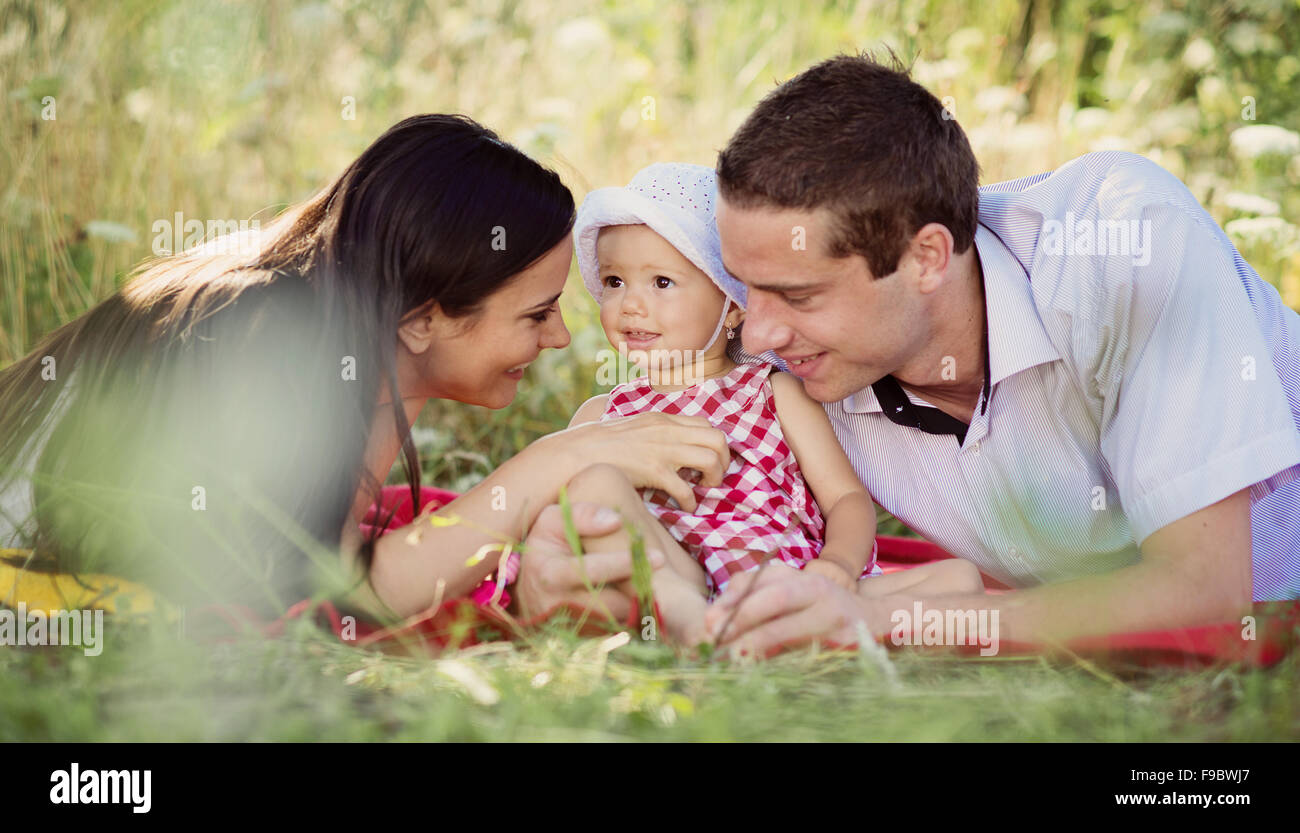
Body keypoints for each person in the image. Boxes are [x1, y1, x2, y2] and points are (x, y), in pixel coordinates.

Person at [0, 114, 730, 626]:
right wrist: (561, 455)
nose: (562, 337)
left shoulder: (336, 327)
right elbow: (339, 591)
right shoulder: (273, 340)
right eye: (536, 313)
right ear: (421, 319)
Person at [703, 53, 1300, 655]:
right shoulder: (796, 362)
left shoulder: (1125, 245)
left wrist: (885, 619)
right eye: (745, 287)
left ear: (926, 258)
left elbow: (1205, 593)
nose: (756, 336)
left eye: (799, 295)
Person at [561, 162, 983, 644]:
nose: (630, 304)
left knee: (960, 580)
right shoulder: (603, 415)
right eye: (615, 282)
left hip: (792, 584)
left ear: (732, 306)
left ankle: (798, 628)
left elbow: (845, 498)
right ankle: (692, 622)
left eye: (661, 282)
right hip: (682, 578)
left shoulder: (771, 392)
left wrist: (835, 567)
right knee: (590, 487)